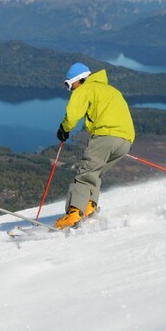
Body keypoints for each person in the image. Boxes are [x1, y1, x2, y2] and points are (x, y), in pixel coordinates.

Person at [54, 62, 135, 229]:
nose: (70, 89)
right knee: (94, 173)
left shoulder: (85, 89)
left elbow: (72, 114)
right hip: (126, 140)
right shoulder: (112, 90)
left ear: (79, 80)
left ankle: (74, 214)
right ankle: (90, 207)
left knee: (85, 174)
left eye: (69, 85)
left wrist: (64, 129)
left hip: (105, 136)